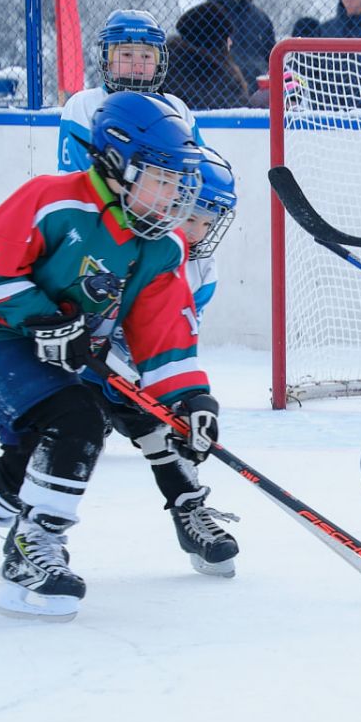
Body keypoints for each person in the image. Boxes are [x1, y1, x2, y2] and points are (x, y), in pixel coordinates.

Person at [0, 92, 216, 621]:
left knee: (33, 461)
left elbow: (163, 332)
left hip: (60, 357)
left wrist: (190, 400)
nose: (174, 196)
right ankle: (35, 548)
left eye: (178, 183)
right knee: (80, 418)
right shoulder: (54, 200)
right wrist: (44, 316)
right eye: (162, 179)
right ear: (117, 165)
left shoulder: (161, 246)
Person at [83, 146, 241, 578]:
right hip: (84, 369)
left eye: (209, 222)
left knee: (172, 429)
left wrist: (178, 396)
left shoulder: (202, 269)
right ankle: (19, 522)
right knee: (64, 445)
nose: (198, 231)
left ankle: (191, 515)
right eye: (192, 218)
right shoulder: (131, 244)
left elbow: (172, 341)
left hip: (133, 373)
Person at [57, 10, 201, 173]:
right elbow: (74, 180)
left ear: (159, 62)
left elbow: (196, 170)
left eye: (146, 56)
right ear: (108, 61)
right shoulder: (84, 105)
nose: (137, 65)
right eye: (126, 54)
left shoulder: (177, 109)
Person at [164, 2, 250, 111]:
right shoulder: (220, 76)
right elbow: (237, 108)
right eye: (227, 37)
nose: (231, 42)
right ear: (216, 41)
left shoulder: (167, 66)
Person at [206, 0, 275, 94]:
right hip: (223, 95)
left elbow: (271, 59)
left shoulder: (260, 17)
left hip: (259, 92)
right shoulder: (208, 15)